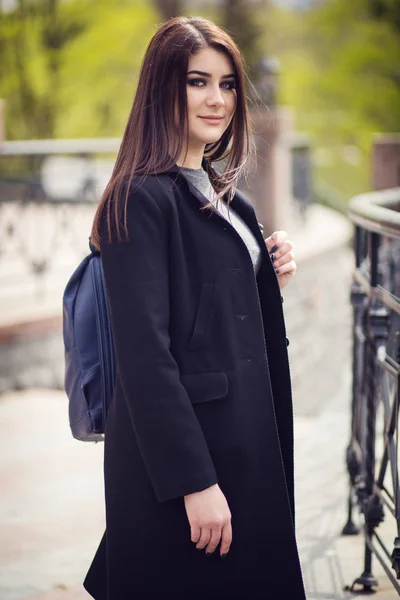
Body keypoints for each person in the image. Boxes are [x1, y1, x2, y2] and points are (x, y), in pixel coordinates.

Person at [83, 15, 305, 600]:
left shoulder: (227, 197)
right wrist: (194, 481)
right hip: (190, 462)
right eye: (197, 81)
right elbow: (145, 356)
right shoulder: (138, 199)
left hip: (245, 442)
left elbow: (205, 314)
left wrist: (262, 276)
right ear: (163, 89)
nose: (217, 99)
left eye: (228, 84)